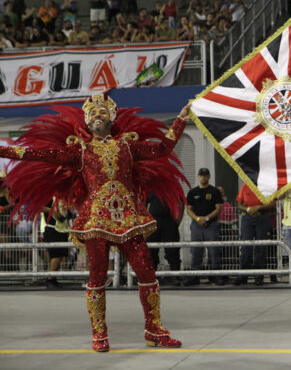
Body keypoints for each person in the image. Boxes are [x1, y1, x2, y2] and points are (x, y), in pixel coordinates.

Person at [0, 94, 191, 352]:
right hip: (95, 220)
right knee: (97, 276)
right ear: (87, 121)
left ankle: (154, 329)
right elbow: (37, 154)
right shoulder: (79, 150)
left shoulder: (127, 146)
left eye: (102, 112)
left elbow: (163, 149)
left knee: (147, 273)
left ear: (111, 117)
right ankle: (99, 333)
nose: (98, 116)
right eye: (93, 113)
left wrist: (180, 121)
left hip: (129, 218)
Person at [183, 168, 224, 286]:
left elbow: (218, 208)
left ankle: (216, 276)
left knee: (214, 250)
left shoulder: (214, 191)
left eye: (205, 175)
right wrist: (197, 219)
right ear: (198, 177)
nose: (203, 177)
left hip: (211, 224)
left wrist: (206, 218)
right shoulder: (192, 192)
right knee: (196, 250)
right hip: (196, 225)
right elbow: (188, 209)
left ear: (209, 177)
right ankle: (195, 276)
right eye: (201, 175)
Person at [235, 183, 275, 286]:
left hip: (263, 217)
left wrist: (258, 208)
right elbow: (239, 205)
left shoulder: (267, 186)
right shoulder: (245, 186)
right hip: (248, 218)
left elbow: (272, 203)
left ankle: (259, 277)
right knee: (245, 248)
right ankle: (243, 276)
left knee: (260, 248)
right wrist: (249, 210)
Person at [146, 193, 183, 285]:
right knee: (151, 250)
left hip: (169, 220)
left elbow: (181, 201)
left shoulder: (172, 186)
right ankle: (152, 276)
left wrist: (179, 218)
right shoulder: (150, 187)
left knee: (173, 250)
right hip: (153, 221)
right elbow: (143, 202)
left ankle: (175, 276)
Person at [41, 199, 71, 290]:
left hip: (62, 228)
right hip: (53, 228)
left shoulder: (63, 197)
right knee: (56, 255)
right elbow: (40, 207)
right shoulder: (49, 195)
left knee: (60, 255)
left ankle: (53, 279)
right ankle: (50, 279)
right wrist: (54, 212)